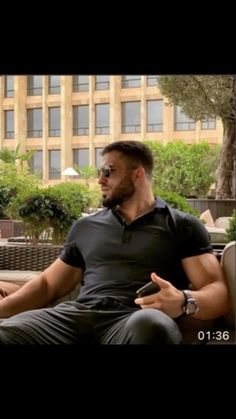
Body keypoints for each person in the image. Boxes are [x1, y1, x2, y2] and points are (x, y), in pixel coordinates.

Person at [0, 141, 230, 344]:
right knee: (8, 332)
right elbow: (48, 285)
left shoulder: (181, 225)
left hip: (134, 317)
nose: (100, 179)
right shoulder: (85, 227)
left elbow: (217, 291)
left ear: (137, 174)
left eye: (108, 171)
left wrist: (183, 300)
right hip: (77, 316)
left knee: (153, 326)